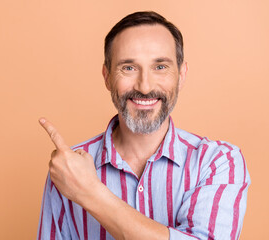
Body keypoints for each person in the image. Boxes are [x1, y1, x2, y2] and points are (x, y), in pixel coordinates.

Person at [37, 11, 250, 240]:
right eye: (129, 68)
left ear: (182, 74)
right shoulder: (68, 169)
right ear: (107, 76)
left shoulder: (218, 162)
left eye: (160, 67)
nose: (145, 86)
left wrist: (90, 192)